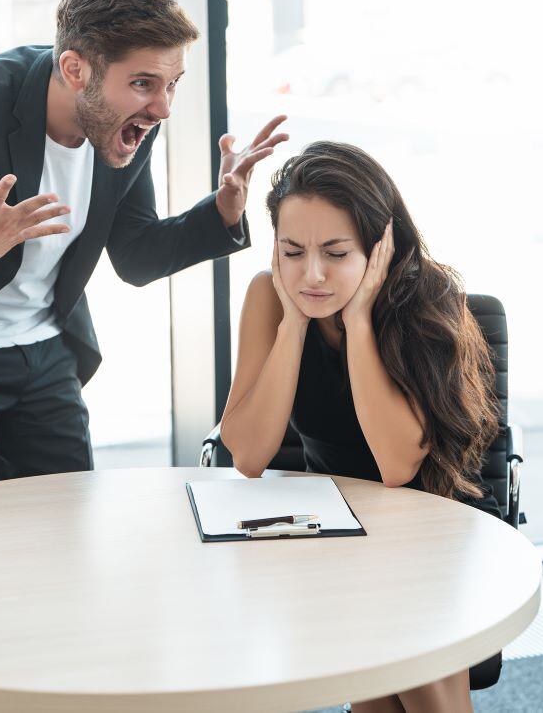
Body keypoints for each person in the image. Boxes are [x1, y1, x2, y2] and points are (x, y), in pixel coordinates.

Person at [0, 0, 286, 490]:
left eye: (172, 84)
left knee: (67, 531)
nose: (163, 108)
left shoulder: (122, 125)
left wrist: (223, 212)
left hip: (48, 355)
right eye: (144, 83)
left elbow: (138, 254)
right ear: (76, 68)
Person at [219, 141, 500, 713]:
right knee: (373, 695)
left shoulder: (427, 300)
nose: (312, 274)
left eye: (336, 253)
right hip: (343, 530)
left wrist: (360, 321)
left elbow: (399, 468)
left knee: (416, 671)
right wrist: (294, 325)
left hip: (433, 522)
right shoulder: (268, 299)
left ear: (379, 249)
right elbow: (248, 453)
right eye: (292, 252)